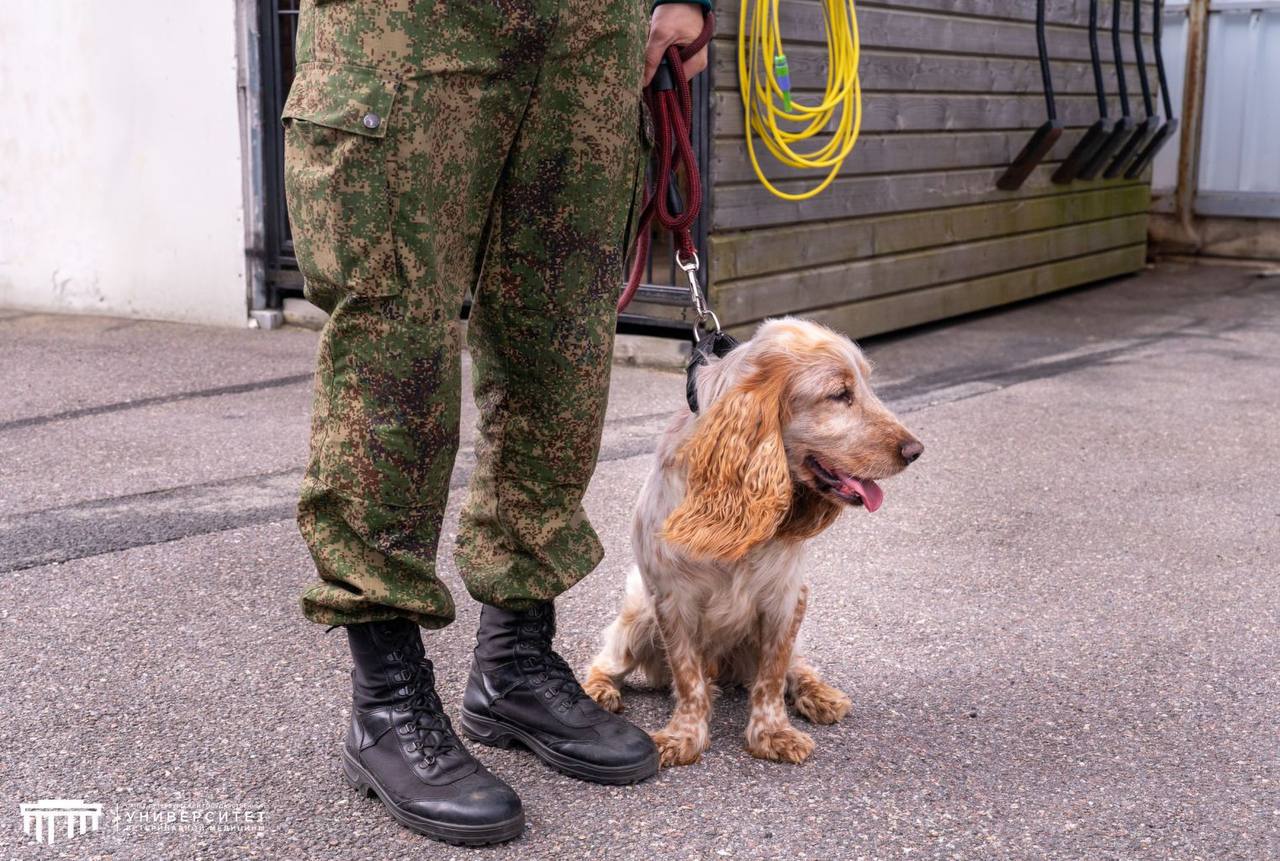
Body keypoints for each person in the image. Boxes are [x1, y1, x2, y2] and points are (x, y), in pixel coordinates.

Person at [281, 0, 710, 846]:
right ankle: (386, 701)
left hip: (589, 29)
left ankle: (514, 660)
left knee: (561, 339)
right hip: (414, 22)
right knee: (394, 339)